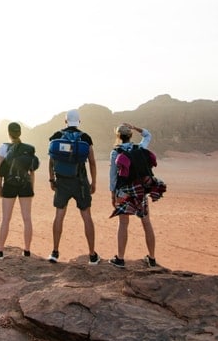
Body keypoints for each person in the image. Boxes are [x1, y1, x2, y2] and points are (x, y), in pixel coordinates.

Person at [47, 109, 99, 264]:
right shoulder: (85, 137)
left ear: (65, 121)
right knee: (87, 217)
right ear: (79, 122)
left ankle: (55, 252)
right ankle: (92, 255)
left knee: (59, 216)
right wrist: (93, 182)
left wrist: (51, 180)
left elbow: (51, 161)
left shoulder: (56, 136)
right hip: (80, 183)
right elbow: (92, 162)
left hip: (62, 182)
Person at [108, 123, 160, 268]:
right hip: (140, 191)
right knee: (146, 223)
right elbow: (148, 135)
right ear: (130, 135)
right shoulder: (140, 148)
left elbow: (113, 176)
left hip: (124, 193)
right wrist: (135, 127)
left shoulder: (115, 152)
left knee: (123, 224)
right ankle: (152, 258)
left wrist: (113, 194)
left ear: (118, 136)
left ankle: (120, 259)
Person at [0, 122, 34, 259]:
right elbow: (32, 172)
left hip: (9, 185)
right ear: (20, 133)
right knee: (27, 218)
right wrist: (31, 188)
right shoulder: (29, 149)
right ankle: (27, 250)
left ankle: (0, 251)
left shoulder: (3, 147)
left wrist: (0, 187)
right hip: (25, 185)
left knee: (6, 219)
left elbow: (0, 171)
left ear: (9, 133)